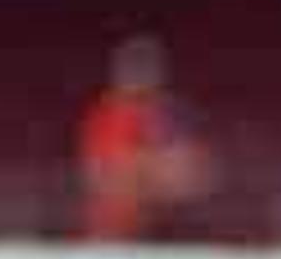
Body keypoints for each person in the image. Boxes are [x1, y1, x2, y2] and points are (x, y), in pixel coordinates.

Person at [76, 35, 219, 244]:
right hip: (114, 234)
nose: (143, 86)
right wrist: (155, 169)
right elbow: (106, 173)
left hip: (163, 231)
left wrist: (169, 170)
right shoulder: (109, 115)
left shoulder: (163, 114)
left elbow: (199, 172)